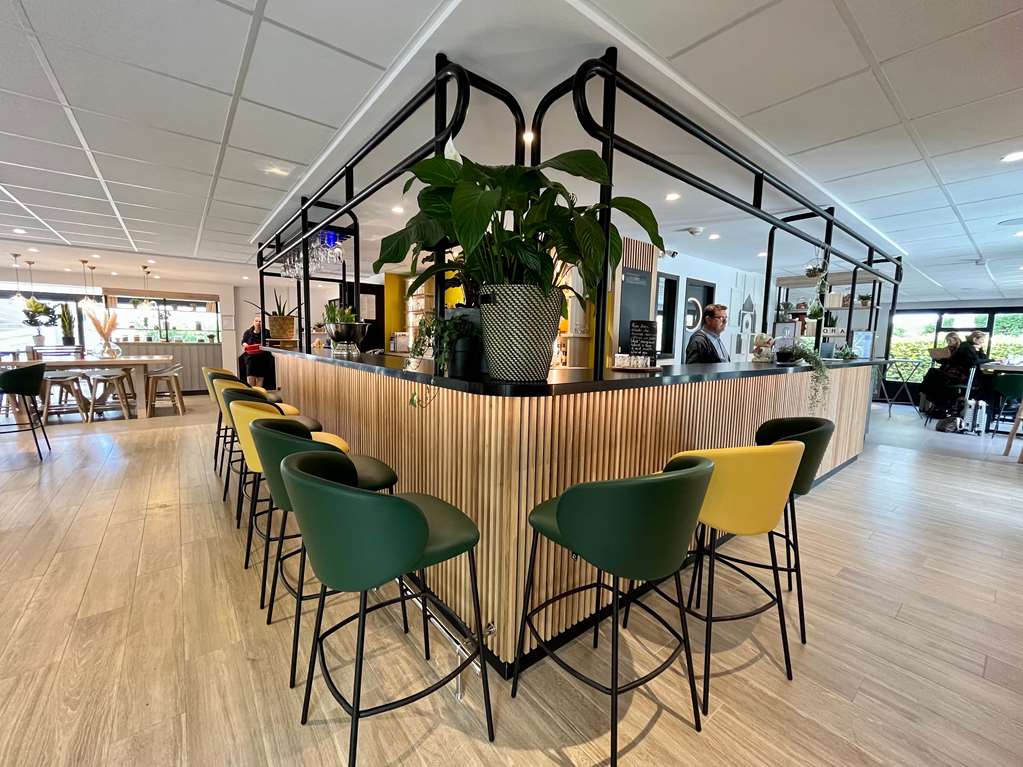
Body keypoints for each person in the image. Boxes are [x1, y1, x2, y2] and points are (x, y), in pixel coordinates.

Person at [241, 315, 272, 387]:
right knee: (250, 380)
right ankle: (251, 394)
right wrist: (245, 344)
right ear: (253, 322)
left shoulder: (267, 332)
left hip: (263, 359)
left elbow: (270, 343)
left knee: (260, 380)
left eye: (260, 321)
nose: (258, 323)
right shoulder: (248, 332)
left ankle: (258, 393)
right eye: (256, 321)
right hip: (250, 359)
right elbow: (243, 342)